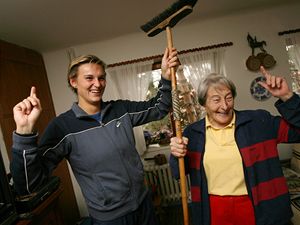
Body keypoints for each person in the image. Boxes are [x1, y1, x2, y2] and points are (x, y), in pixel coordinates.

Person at [11, 47, 179, 225]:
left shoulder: (121, 110)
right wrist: (24, 132)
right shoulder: (62, 127)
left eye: (101, 78)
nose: (97, 84)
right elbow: (29, 186)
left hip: (144, 205)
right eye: (89, 78)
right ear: (73, 81)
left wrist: (166, 77)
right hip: (111, 219)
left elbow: (158, 108)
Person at [169, 66, 300, 225]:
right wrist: (176, 154)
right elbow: (178, 173)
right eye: (216, 100)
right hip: (213, 209)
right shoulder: (193, 133)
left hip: (259, 207)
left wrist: (287, 96)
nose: (224, 106)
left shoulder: (259, 122)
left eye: (229, 98)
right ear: (204, 103)